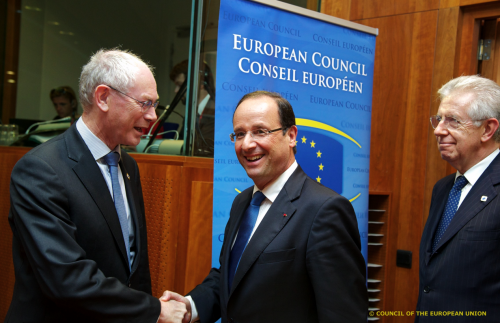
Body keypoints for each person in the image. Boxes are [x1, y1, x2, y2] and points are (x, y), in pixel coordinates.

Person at [7, 49, 187, 323]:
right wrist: (155, 310)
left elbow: (133, 261)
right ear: (103, 98)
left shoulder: (128, 166)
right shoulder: (40, 170)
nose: (153, 116)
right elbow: (66, 277)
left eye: (155, 105)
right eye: (145, 103)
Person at [162, 91, 368, 322]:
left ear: (291, 135)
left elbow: (343, 314)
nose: (247, 144)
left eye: (260, 131)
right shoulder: (243, 202)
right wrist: (190, 306)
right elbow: (233, 279)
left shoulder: (325, 210)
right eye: (240, 134)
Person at [416, 75, 500, 321]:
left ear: (488, 129)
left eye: (453, 120)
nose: (439, 130)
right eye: (439, 119)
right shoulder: (443, 189)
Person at [169, 59, 215, 157]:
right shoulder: (192, 113)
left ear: (201, 83)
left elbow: (203, 149)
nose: (176, 91)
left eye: (180, 85)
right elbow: (180, 144)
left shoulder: (216, 110)